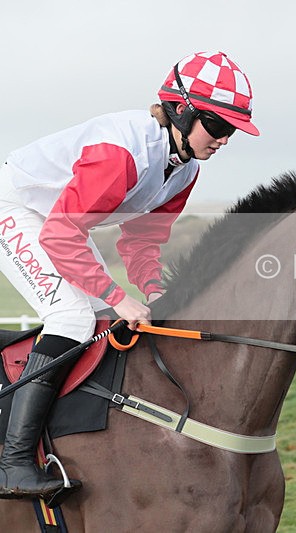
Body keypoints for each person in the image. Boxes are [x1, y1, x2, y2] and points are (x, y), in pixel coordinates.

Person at [0, 51, 259, 501]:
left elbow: (141, 241)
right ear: (181, 110)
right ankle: (13, 462)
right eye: (217, 126)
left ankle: (69, 438)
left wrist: (158, 292)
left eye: (231, 130)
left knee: (98, 316)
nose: (223, 140)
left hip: (57, 222)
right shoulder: (121, 153)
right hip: (17, 210)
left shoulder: (184, 170)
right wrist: (119, 296)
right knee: (73, 318)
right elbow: (62, 234)